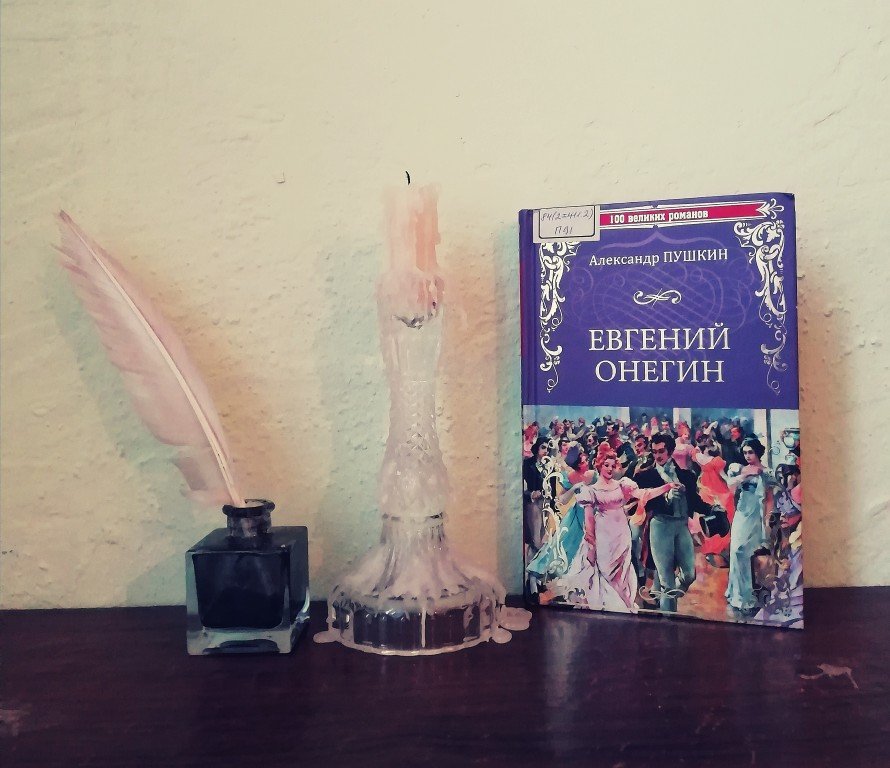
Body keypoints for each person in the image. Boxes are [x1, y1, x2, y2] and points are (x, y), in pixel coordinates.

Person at [558, 444, 677, 613]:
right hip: (603, 535)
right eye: (606, 465)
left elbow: (645, 494)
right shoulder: (590, 491)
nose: (609, 469)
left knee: (622, 573)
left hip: (621, 535)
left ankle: (624, 606)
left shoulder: (623, 484)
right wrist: (591, 546)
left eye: (612, 465)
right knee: (606, 571)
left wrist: (667, 487)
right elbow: (589, 521)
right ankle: (612, 607)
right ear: (599, 465)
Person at [634, 432, 714, 612]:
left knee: (689, 575)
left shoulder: (687, 475)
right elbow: (645, 503)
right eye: (654, 451)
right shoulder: (645, 476)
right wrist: (666, 497)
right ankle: (668, 617)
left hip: (681, 526)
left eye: (661, 451)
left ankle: (664, 596)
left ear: (670, 451)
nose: (657, 455)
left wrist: (711, 509)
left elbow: (695, 501)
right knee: (667, 581)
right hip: (660, 526)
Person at [526, 446, 595, 587]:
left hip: (595, 514)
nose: (586, 462)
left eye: (586, 460)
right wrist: (574, 488)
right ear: (577, 464)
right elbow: (562, 499)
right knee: (566, 544)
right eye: (583, 461)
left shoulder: (594, 474)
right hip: (578, 514)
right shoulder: (570, 477)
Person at [724, 437, 776, 613]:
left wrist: (767, 520)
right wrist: (746, 475)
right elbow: (730, 487)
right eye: (745, 452)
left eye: (751, 452)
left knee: (746, 554)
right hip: (742, 514)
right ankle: (736, 593)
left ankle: (746, 596)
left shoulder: (767, 472)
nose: (747, 456)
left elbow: (769, 499)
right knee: (736, 551)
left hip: (757, 515)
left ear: (758, 452)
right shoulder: (739, 469)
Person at [523, 438, 551, 553]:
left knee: (543, 531)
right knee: (536, 537)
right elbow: (521, 486)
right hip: (533, 502)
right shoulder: (528, 464)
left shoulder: (550, 464)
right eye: (543, 447)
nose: (546, 451)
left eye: (548, 448)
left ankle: (536, 558)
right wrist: (531, 494)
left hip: (546, 501)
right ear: (537, 448)